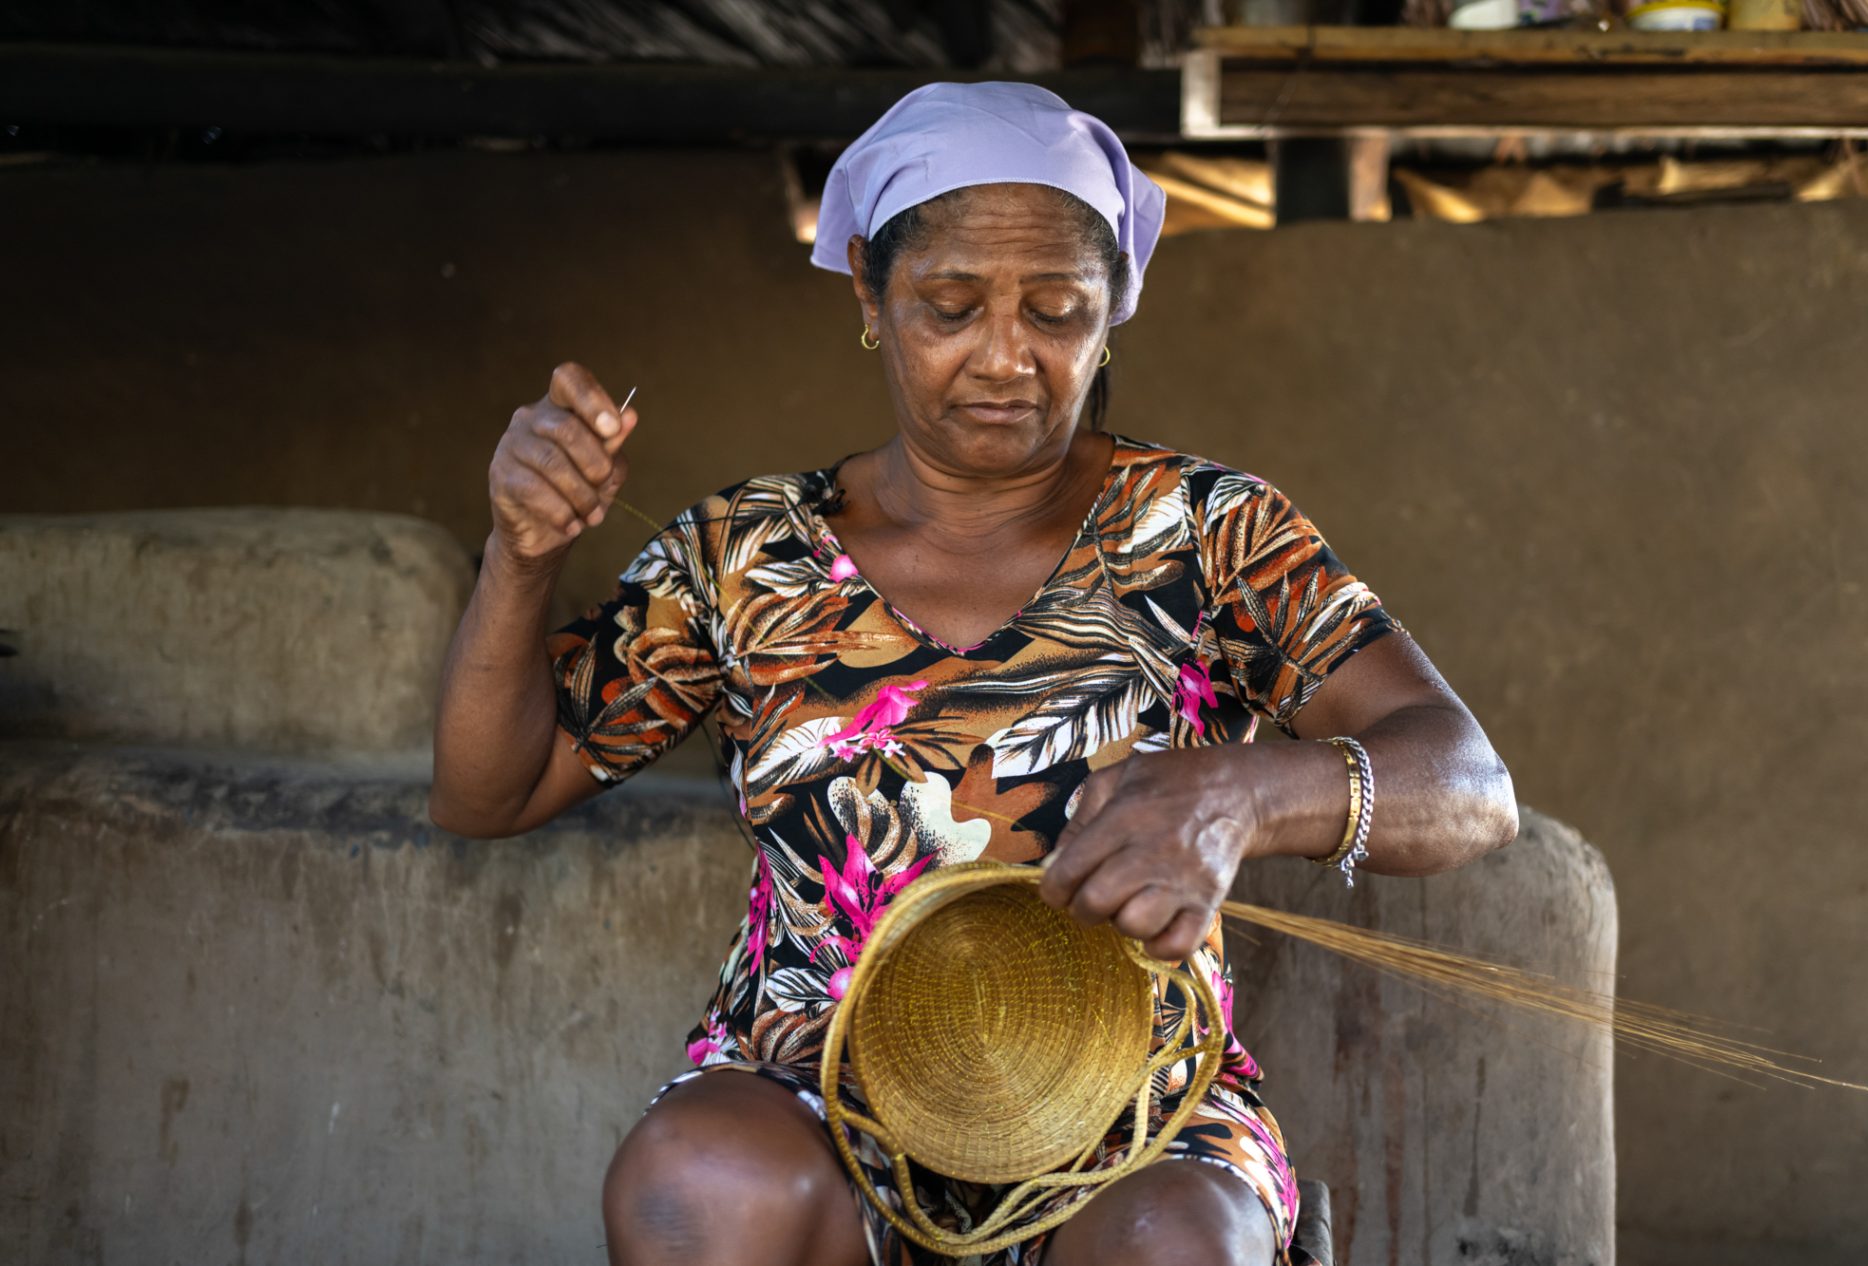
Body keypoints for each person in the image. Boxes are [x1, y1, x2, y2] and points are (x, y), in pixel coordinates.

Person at [430, 82, 1517, 1266]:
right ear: (867, 291)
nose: (1006, 358)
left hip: (1130, 1110)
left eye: (1057, 311)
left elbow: (1469, 783)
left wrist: (1247, 795)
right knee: (699, 1187)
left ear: (1112, 314)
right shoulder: (747, 556)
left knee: (1173, 1247)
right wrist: (520, 557)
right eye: (950, 305)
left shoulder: (1208, 534)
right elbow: (488, 793)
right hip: (817, 1086)